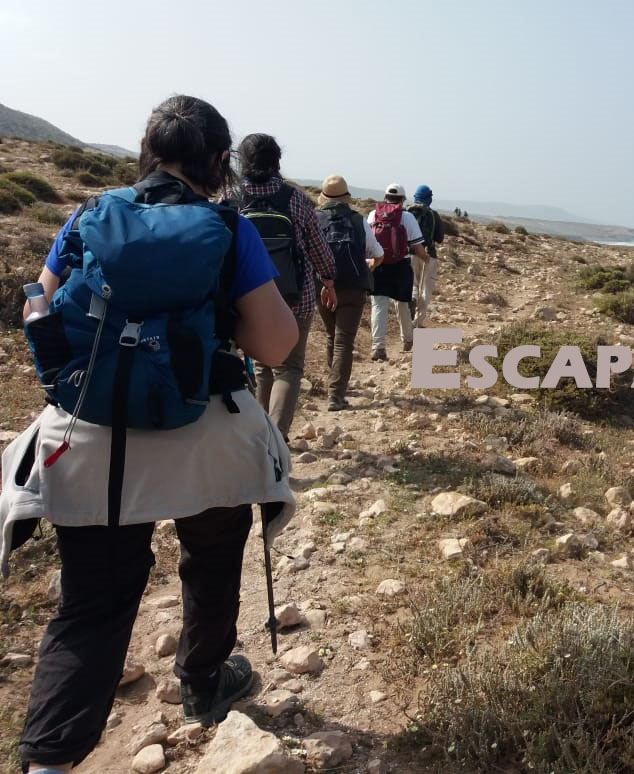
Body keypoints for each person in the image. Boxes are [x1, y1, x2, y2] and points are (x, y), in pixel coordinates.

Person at [0, 95, 299, 774]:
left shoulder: (87, 215)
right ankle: (201, 681)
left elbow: (38, 310)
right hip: (206, 437)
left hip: (92, 432)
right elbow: (277, 345)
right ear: (220, 162)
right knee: (215, 556)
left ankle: (48, 762)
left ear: (146, 152)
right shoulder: (228, 227)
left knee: (93, 602)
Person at [231, 134, 337, 438]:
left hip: (244, 298)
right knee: (288, 368)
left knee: (262, 366)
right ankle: (277, 440)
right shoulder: (297, 200)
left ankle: (259, 438)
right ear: (277, 161)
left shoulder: (230, 198)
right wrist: (328, 280)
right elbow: (319, 250)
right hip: (294, 298)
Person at [314, 175, 384, 410]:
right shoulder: (357, 220)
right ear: (346, 198)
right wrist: (369, 267)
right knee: (344, 341)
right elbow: (378, 253)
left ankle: (334, 384)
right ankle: (336, 394)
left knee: (331, 336)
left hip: (323, 286)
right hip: (353, 287)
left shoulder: (315, 219)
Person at [367, 183, 430, 361]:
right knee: (403, 303)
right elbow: (417, 247)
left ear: (385, 196)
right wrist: (426, 258)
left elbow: (367, 243)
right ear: (402, 200)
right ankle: (408, 339)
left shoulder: (373, 215)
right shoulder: (407, 217)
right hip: (401, 265)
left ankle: (378, 347)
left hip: (377, 265)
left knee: (379, 305)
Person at [405, 184, 445, 327]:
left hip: (409, 253)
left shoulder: (407, 212)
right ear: (429, 198)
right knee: (426, 288)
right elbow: (440, 238)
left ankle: (412, 300)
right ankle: (418, 321)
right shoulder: (433, 215)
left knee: (412, 283)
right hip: (429, 254)